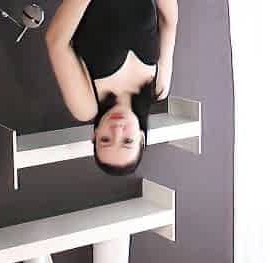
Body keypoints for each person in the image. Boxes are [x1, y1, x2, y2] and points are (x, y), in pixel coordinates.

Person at [46, 0, 178, 175]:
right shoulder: (159, 87)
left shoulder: (86, 106)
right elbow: (168, 23)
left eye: (105, 139)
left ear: (95, 135)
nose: (117, 129)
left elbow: (56, 42)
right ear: (141, 138)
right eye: (127, 141)